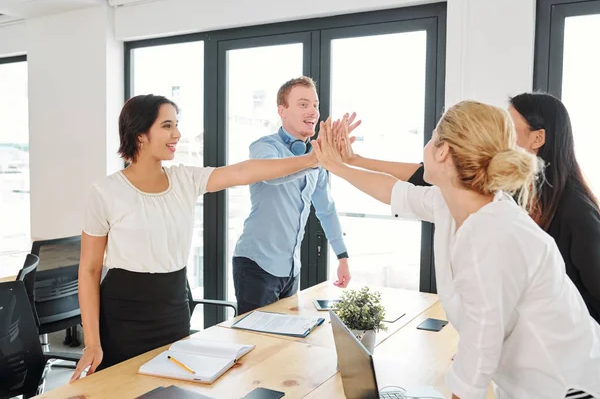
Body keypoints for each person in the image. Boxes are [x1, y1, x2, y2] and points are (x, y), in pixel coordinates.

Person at [312, 101, 600, 398]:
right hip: (529, 382)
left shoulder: (492, 233)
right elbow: (392, 191)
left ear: (442, 151)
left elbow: (479, 351)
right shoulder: (454, 203)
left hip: (569, 387)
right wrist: (336, 165)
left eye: (433, 134)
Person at [70, 94, 321, 381]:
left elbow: (243, 171)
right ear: (140, 134)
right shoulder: (105, 191)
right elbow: (89, 270)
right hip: (122, 314)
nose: (176, 134)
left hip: (173, 307)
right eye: (166, 126)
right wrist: (92, 342)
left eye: (176, 124)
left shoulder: (184, 180)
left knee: (172, 387)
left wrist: (310, 159)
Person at [335, 92, 600, 325]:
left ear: (538, 138)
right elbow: (419, 178)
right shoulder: (500, 193)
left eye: (509, 127)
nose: (500, 136)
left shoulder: (576, 212)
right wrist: (354, 160)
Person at [231, 76, 360, 315]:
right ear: (282, 110)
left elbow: (326, 209)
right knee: (258, 344)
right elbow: (274, 175)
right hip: (256, 265)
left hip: (290, 269)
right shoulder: (263, 147)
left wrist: (342, 257)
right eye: (303, 104)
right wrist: (315, 159)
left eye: (315, 105)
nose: (312, 111)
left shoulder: (315, 159)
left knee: (284, 342)